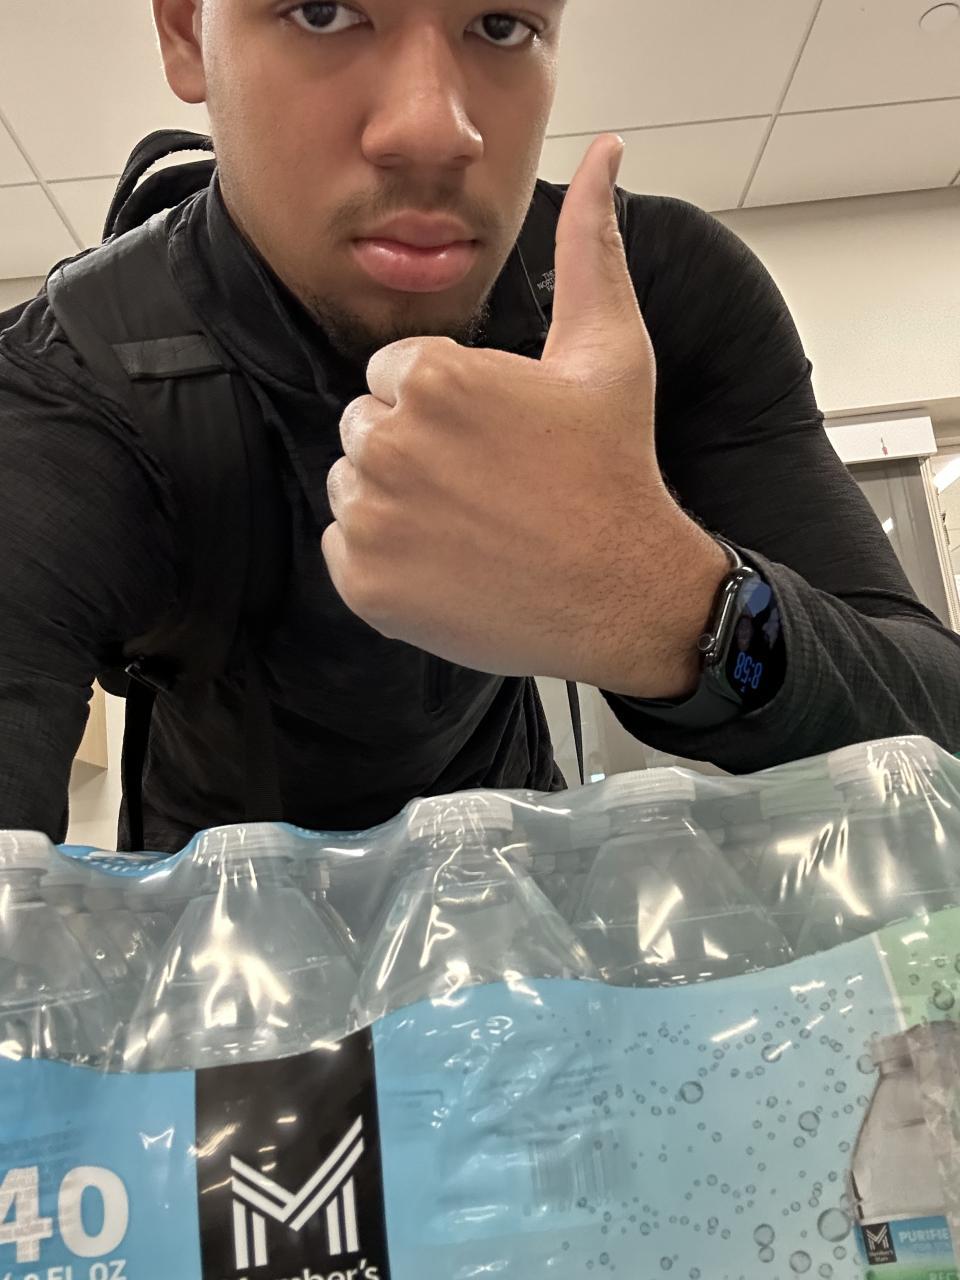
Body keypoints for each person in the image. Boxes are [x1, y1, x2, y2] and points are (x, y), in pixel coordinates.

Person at [1, 0, 958, 854]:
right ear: (186, 33)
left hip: (514, 879)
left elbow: (939, 734)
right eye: (323, 12)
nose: (435, 130)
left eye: (502, 24)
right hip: (221, 914)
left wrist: (670, 604)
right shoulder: (64, 393)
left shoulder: (654, 298)